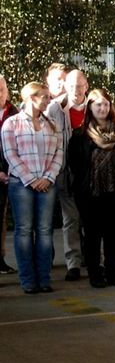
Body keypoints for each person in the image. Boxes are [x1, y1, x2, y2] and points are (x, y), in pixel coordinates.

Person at [1, 82, 62, 294]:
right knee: (24, 231)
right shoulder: (11, 123)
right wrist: (31, 179)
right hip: (21, 184)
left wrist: (48, 177)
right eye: (44, 96)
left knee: (45, 231)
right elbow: (10, 155)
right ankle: (27, 280)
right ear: (31, 97)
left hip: (47, 184)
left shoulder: (52, 124)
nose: (47, 100)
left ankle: (44, 279)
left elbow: (58, 155)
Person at [67, 88, 115, 288]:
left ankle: (113, 273)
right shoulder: (80, 135)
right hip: (89, 194)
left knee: (113, 235)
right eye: (98, 105)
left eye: (105, 104)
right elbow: (75, 164)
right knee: (92, 235)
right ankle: (95, 273)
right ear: (90, 108)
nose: (102, 108)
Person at [46, 68, 89, 281]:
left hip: (90, 174)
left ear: (86, 86)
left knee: (90, 218)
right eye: (71, 86)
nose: (75, 90)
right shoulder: (55, 108)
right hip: (65, 172)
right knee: (70, 218)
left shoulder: (94, 106)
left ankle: (93, 258)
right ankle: (73, 262)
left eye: (79, 86)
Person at [0, 75, 17, 274]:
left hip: (9, 173)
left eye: (2, 89)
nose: (0, 93)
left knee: (1, 220)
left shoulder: (15, 113)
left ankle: (0, 258)